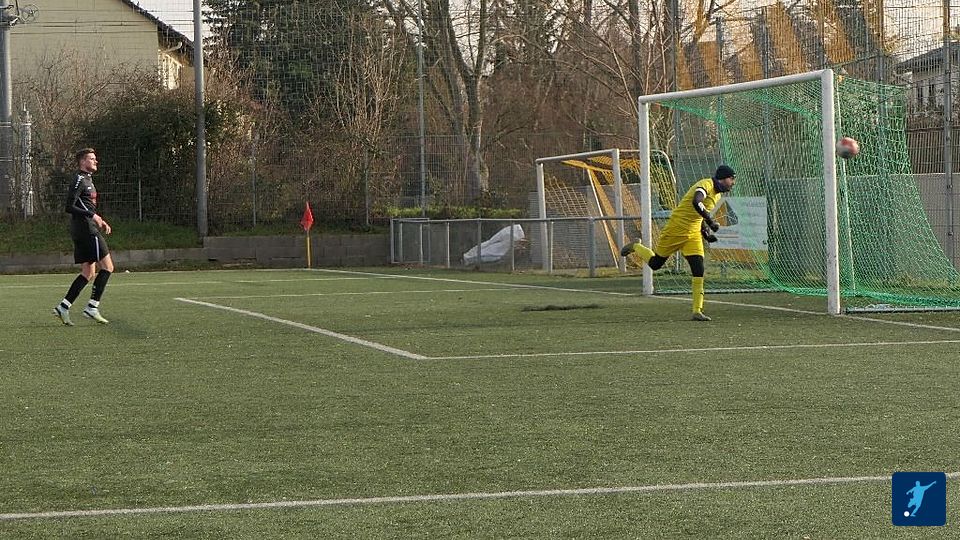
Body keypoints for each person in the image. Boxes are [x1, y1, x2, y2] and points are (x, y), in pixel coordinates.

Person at [620, 164, 736, 321]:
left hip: (693, 235)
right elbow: (696, 201)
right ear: (723, 178)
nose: (733, 183)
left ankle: (697, 311)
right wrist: (711, 221)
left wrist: (705, 234)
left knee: (698, 269)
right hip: (676, 229)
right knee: (655, 264)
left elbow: (698, 215)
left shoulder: (717, 195)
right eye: (731, 179)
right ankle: (635, 245)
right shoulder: (706, 184)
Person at [52, 148, 113, 325]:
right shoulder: (79, 179)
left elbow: (85, 205)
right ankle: (92, 307)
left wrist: (99, 219)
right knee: (108, 267)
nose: (96, 161)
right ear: (82, 161)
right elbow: (69, 206)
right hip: (86, 230)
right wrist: (92, 216)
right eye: (92, 159)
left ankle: (63, 307)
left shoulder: (88, 179)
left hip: (83, 228)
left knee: (88, 273)